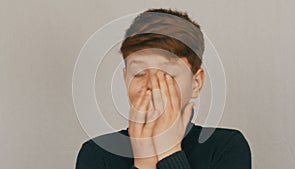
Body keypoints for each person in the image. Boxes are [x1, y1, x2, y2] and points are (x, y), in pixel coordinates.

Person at [75, 8, 251, 169]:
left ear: (196, 83)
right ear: (125, 78)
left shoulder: (226, 147)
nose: (153, 85)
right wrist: (144, 163)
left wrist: (170, 152)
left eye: (168, 74)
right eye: (139, 73)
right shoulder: (97, 153)